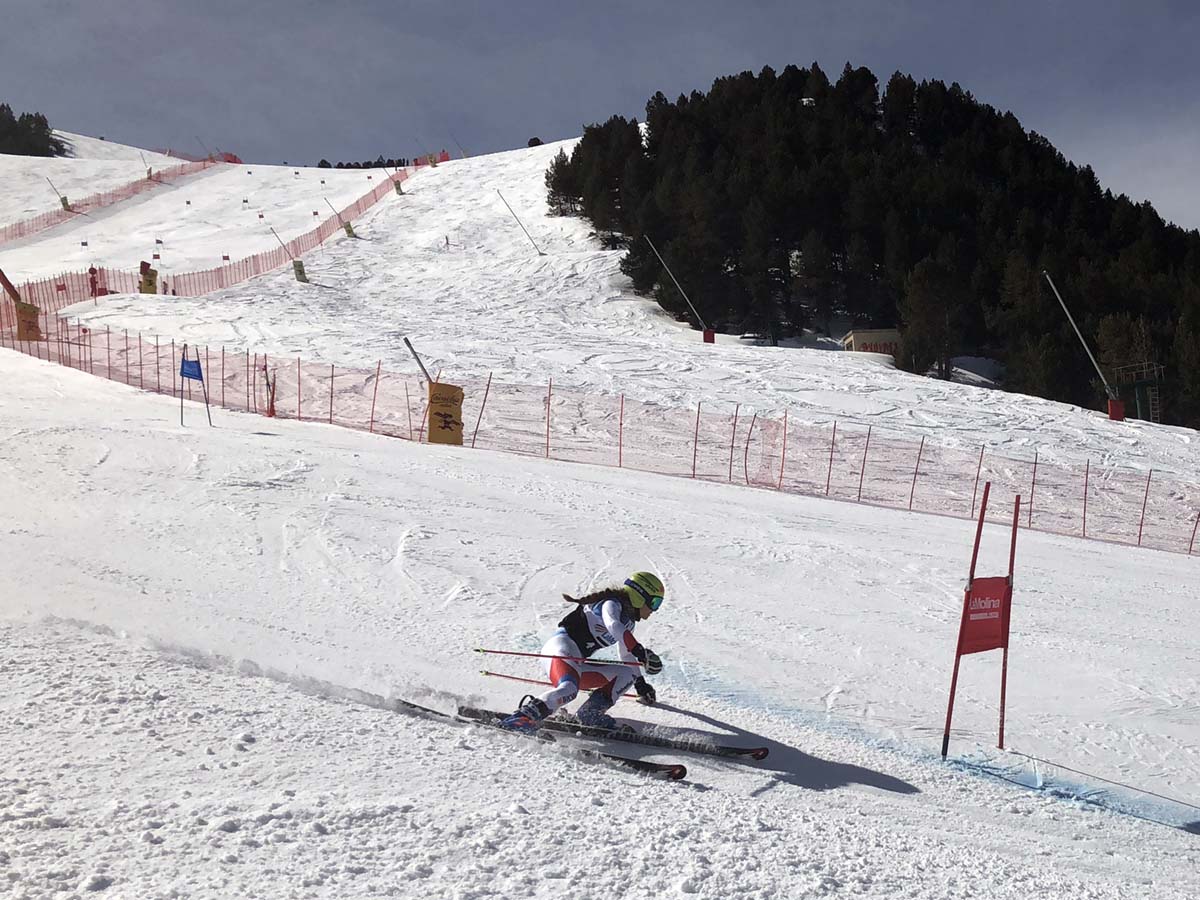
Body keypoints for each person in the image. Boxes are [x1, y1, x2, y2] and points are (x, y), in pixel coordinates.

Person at [500, 572, 666, 732]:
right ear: (639, 596)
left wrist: (640, 684)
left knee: (627, 672)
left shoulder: (629, 623)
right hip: (560, 649)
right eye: (654, 603)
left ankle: (589, 714)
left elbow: (626, 655)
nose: (654, 610)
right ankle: (524, 717)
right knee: (569, 690)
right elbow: (612, 625)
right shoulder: (611, 604)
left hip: (577, 663)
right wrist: (639, 650)